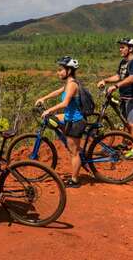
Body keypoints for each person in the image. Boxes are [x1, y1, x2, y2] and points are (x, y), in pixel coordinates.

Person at [35, 56, 85, 188]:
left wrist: (49, 110)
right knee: (54, 120)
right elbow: (58, 92)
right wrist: (43, 98)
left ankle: (75, 180)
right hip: (69, 117)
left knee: (74, 152)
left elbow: (65, 102)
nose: (58, 72)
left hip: (75, 121)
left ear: (69, 70)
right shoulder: (69, 83)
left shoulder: (73, 84)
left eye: (61, 70)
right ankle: (73, 143)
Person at [96, 38, 133, 157]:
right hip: (124, 96)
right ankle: (127, 141)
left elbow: (132, 78)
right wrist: (105, 80)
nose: (120, 49)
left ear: (130, 48)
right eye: (120, 47)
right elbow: (118, 76)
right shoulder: (123, 62)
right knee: (126, 122)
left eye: (123, 47)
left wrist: (115, 86)